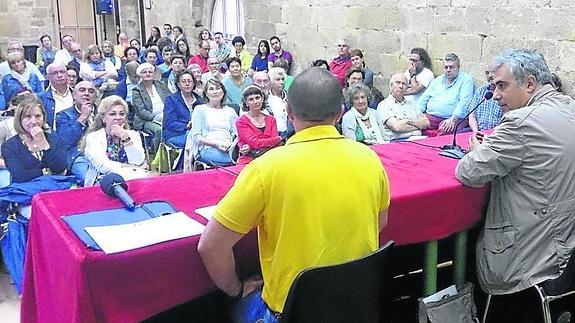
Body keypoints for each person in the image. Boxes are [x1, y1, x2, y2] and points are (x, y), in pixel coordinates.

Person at [197, 67, 390, 322]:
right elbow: (380, 221)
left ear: (289, 113)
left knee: (226, 307)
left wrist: (236, 288)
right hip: (357, 304)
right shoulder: (369, 159)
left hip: (289, 312)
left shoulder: (266, 169)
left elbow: (210, 245)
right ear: (340, 112)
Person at [455, 49, 575, 322]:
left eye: (501, 85)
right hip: (565, 248)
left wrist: (474, 150)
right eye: (492, 86)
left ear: (530, 84)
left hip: (525, 260)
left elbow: (468, 172)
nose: (495, 95)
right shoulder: (569, 106)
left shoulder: (520, 123)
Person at [81, 95, 148, 186]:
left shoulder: (133, 134)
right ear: (103, 117)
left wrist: (126, 138)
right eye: (112, 114)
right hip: (103, 182)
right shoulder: (93, 137)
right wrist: (131, 167)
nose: (118, 117)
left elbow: (138, 161)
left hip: (133, 179)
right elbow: (103, 166)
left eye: (121, 114)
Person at [2, 96, 67, 183]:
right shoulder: (9, 146)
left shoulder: (53, 137)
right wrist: (46, 171)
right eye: (28, 116)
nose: (33, 121)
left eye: (38, 116)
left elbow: (60, 168)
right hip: (27, 191)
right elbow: (21, 177)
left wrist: (44, 144)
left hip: (55, 187)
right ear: (19, 119)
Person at [417, 53, 474, 135]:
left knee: (444, 130)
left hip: (453, 118)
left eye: (451, 67)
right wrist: (419, 113)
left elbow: (464, 102)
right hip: (432, 116)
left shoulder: (466, 80)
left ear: (458, 67)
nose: (448, 69)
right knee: (413, 123)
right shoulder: (438, 80)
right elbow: (424, 98)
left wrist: (453, 119)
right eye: (446, 67)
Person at [188, 78, 238, 166]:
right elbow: (196, 137)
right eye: (211, 89)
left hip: (229, 147)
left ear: (223, 92)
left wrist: (232, 145)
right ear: (206, 94)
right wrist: (216, 145)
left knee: (245, 158)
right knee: (236, 161)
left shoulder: (231, 111)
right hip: (208, 148)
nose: (215, 92)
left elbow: (238, 133)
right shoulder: (200, 110)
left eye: (218, 88)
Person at [56, 81, 98, 184]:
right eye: (82, 90)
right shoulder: (63, 115)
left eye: (91, 91)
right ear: (74, 96)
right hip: (78, 156)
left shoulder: (102, 113)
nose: (86, 93)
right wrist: (83, 117)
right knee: (91, 180)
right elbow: (65, 141)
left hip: (101, 154)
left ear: (95, 97)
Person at [235, 85, 282, 165]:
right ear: (246, 103)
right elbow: (255, 143)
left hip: (270, 156)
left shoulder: (271, 119)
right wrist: (253, 145)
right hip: (250, 159)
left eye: (257, 98)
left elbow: (276, 142)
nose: (255, 101)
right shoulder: (241, 121)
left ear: (262, 99)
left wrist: (250, 146)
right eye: (251, 99)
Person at [377, 73, 429, 141]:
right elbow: (397, 127)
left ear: (407, 88)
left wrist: (408, 122)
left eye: (404, 84)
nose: (401, 86)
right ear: (391, 86)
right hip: (397, 143)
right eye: (397, 83)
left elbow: (426, 123)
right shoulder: (384, 105)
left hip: (418, 140)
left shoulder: (412, 104)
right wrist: (418, 125)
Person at [132, 63, 171, 152]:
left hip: (165, 116)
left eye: (150, 72)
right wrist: (155, 118)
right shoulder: (137, 90)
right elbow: (141, 111)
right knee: (159, 131)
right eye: (144, 72)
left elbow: (170, 100)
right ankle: (157, 155)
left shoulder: (160, 85)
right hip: (147, 120)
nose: (148, 74)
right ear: (140, 75)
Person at [163, 70, 204, 148]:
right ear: (178, 84)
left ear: (194, 83)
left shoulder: (200, 100)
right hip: (176, 134)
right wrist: (186, 126)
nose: (187, 84)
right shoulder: (171, 100)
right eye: (183, 81)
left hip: (196, 133)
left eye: (189, 81)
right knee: (196, 143)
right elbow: (169, 123)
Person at [38, 63, 74, 129]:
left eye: (62, 72)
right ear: (47, 77)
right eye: (54, 73)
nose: (59, 75)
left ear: (67, 74)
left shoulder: (76, 94)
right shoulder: (41, 98)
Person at [468, 66, 503, 132]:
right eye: (487, 73)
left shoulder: (505, 92)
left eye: (493, 72)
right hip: (478, 131)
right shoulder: (480, 91)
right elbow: (472, 115)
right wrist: (476, 132)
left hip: (498, 134)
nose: (489, 75)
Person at [267, 67, 288, 138]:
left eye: (282, 79)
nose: (281, 82)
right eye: (277, 80)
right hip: (274, 134)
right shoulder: (267, 99)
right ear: (271, 81)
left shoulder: (289, 96)